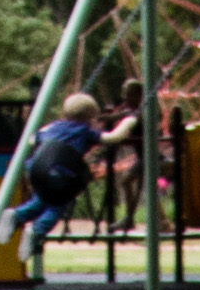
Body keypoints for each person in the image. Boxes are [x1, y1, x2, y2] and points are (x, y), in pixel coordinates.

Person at [11, 89, 135, 265]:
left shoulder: (53, 127)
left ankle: (16, 216)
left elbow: (32, 139)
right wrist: (128, 122)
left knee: (42, 199)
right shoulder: (84, 131)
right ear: (90, 117)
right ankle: (36, 230)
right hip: (59, 172)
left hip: (35, 170)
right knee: (57, 205)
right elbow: (113, 137)